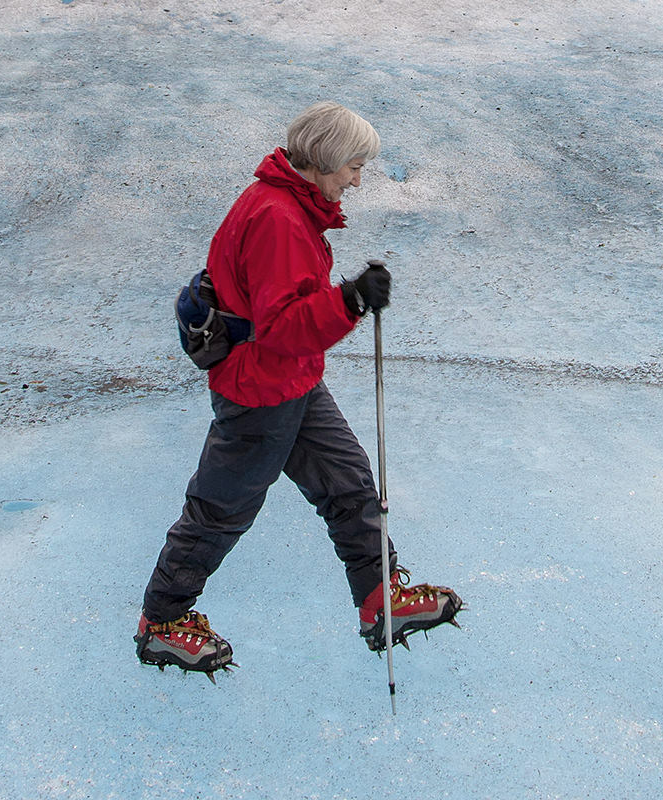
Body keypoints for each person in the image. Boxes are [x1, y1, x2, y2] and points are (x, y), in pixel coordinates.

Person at [135, 102, 462, 678]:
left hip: (292, 381)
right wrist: (352, 301)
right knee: (221, 508)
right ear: (326, 160)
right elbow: (283, 327)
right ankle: (162, 622)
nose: (359, 180)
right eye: (355, 167)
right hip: (260, 389)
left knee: (349, 480)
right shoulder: (278, 219)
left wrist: (345, 299)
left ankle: (378, 599)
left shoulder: (289, 204)